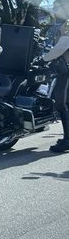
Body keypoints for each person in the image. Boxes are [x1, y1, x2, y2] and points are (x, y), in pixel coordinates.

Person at [42, 21, 69, 153]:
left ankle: (68, 140)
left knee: (61, 104)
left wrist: (43, 59)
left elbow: (61, 47)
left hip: (66, 72)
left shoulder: (66, 26)